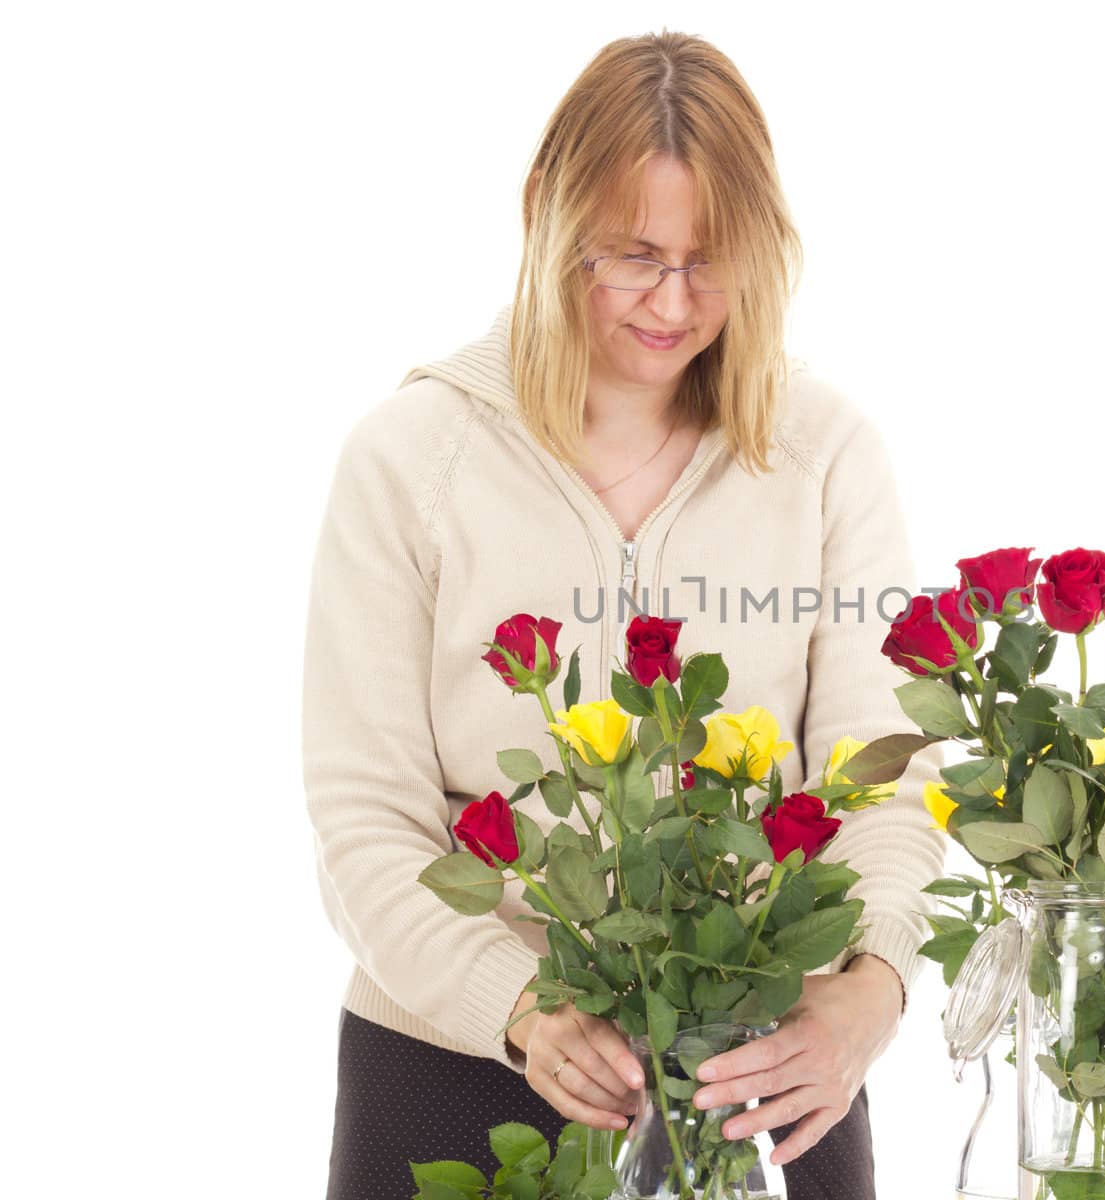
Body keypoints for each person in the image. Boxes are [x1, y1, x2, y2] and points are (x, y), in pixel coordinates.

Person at [302, 30, 946, 1200]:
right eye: (635, 255)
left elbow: (886, 782)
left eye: (713, 260)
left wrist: (868, 996)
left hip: (762, 1076)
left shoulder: (824, 456)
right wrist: (518, 1005)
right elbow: (362, 820)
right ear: (547, 209)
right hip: (450, 1068)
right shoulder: (411, 460)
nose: (675, 302)